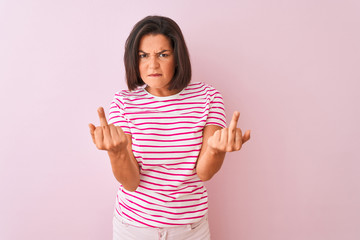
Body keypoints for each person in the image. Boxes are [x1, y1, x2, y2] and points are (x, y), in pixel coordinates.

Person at [89, 15, 250, 240]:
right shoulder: (123, 103)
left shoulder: (207, 97)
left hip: (190, 230)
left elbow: (204, 173)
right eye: (143, 56)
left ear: (177, 57)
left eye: (163, 55)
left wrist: (216, 150)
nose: (152, 65)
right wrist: (115, 152)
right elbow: (131, 182)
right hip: (134, 229)